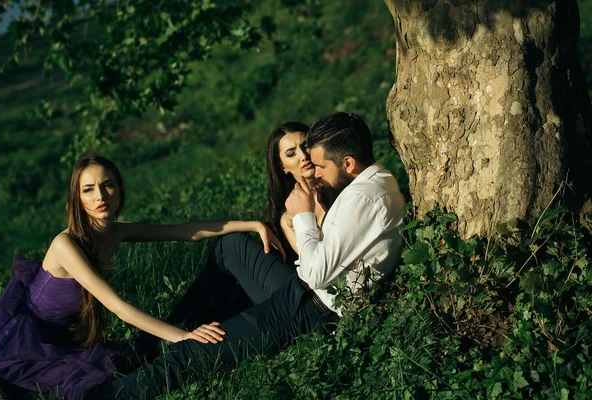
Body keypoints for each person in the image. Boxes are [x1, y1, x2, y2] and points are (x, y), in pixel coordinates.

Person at [91, 112, 406, 399]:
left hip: (313, 311)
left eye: (321, 165)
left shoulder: (361, 197)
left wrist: (304, 217)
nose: (316, 170)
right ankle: (164, 340)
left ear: (348, 163)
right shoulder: (371, 185)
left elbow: (313, 273)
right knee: (230, 256)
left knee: (193, 354)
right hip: (305, 299)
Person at [0, 155, 283, 400]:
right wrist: (183, 337)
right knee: (91, 380)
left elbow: (183, 232)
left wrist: (252, 224)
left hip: (68, 337)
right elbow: (118, 307)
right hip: (33, 340)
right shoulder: (65, 245)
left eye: (107, 185)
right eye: (89, 190)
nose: (100, 197)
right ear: (77, 199)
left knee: (131, 357)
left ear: (119, 188)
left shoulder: (116, 231)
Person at [265, 121, 327, 264]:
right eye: (291, 154)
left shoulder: (338, 182)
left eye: (305, 146)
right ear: (282, 167)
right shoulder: (287, 215)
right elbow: (311, 263)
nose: (303, 155)